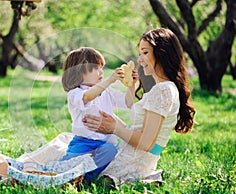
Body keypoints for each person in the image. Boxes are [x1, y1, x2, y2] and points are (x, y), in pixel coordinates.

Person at [82, 28, 196, 184]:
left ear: (162, 53)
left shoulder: (163, 90)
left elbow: (146, 143)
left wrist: (115, 128)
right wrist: (113, 120)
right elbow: (140, 129)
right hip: (130, 157)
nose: (140, 60)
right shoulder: (162, 88)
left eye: (145, 52)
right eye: (140, 53)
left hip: (131, 164)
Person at [60, 47, 137, 183]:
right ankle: (59, 173)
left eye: (101, 68)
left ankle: (86, 178)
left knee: (110, 151)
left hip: (104, 143)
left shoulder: (107, 92)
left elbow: (128, 102)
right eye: (96, 68)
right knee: (66, 165)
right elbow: (88, 96)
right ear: (79, 72)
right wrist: (110, 80)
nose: (101, 72)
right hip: (83, 142)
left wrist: (132, 85)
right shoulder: (75, 93)